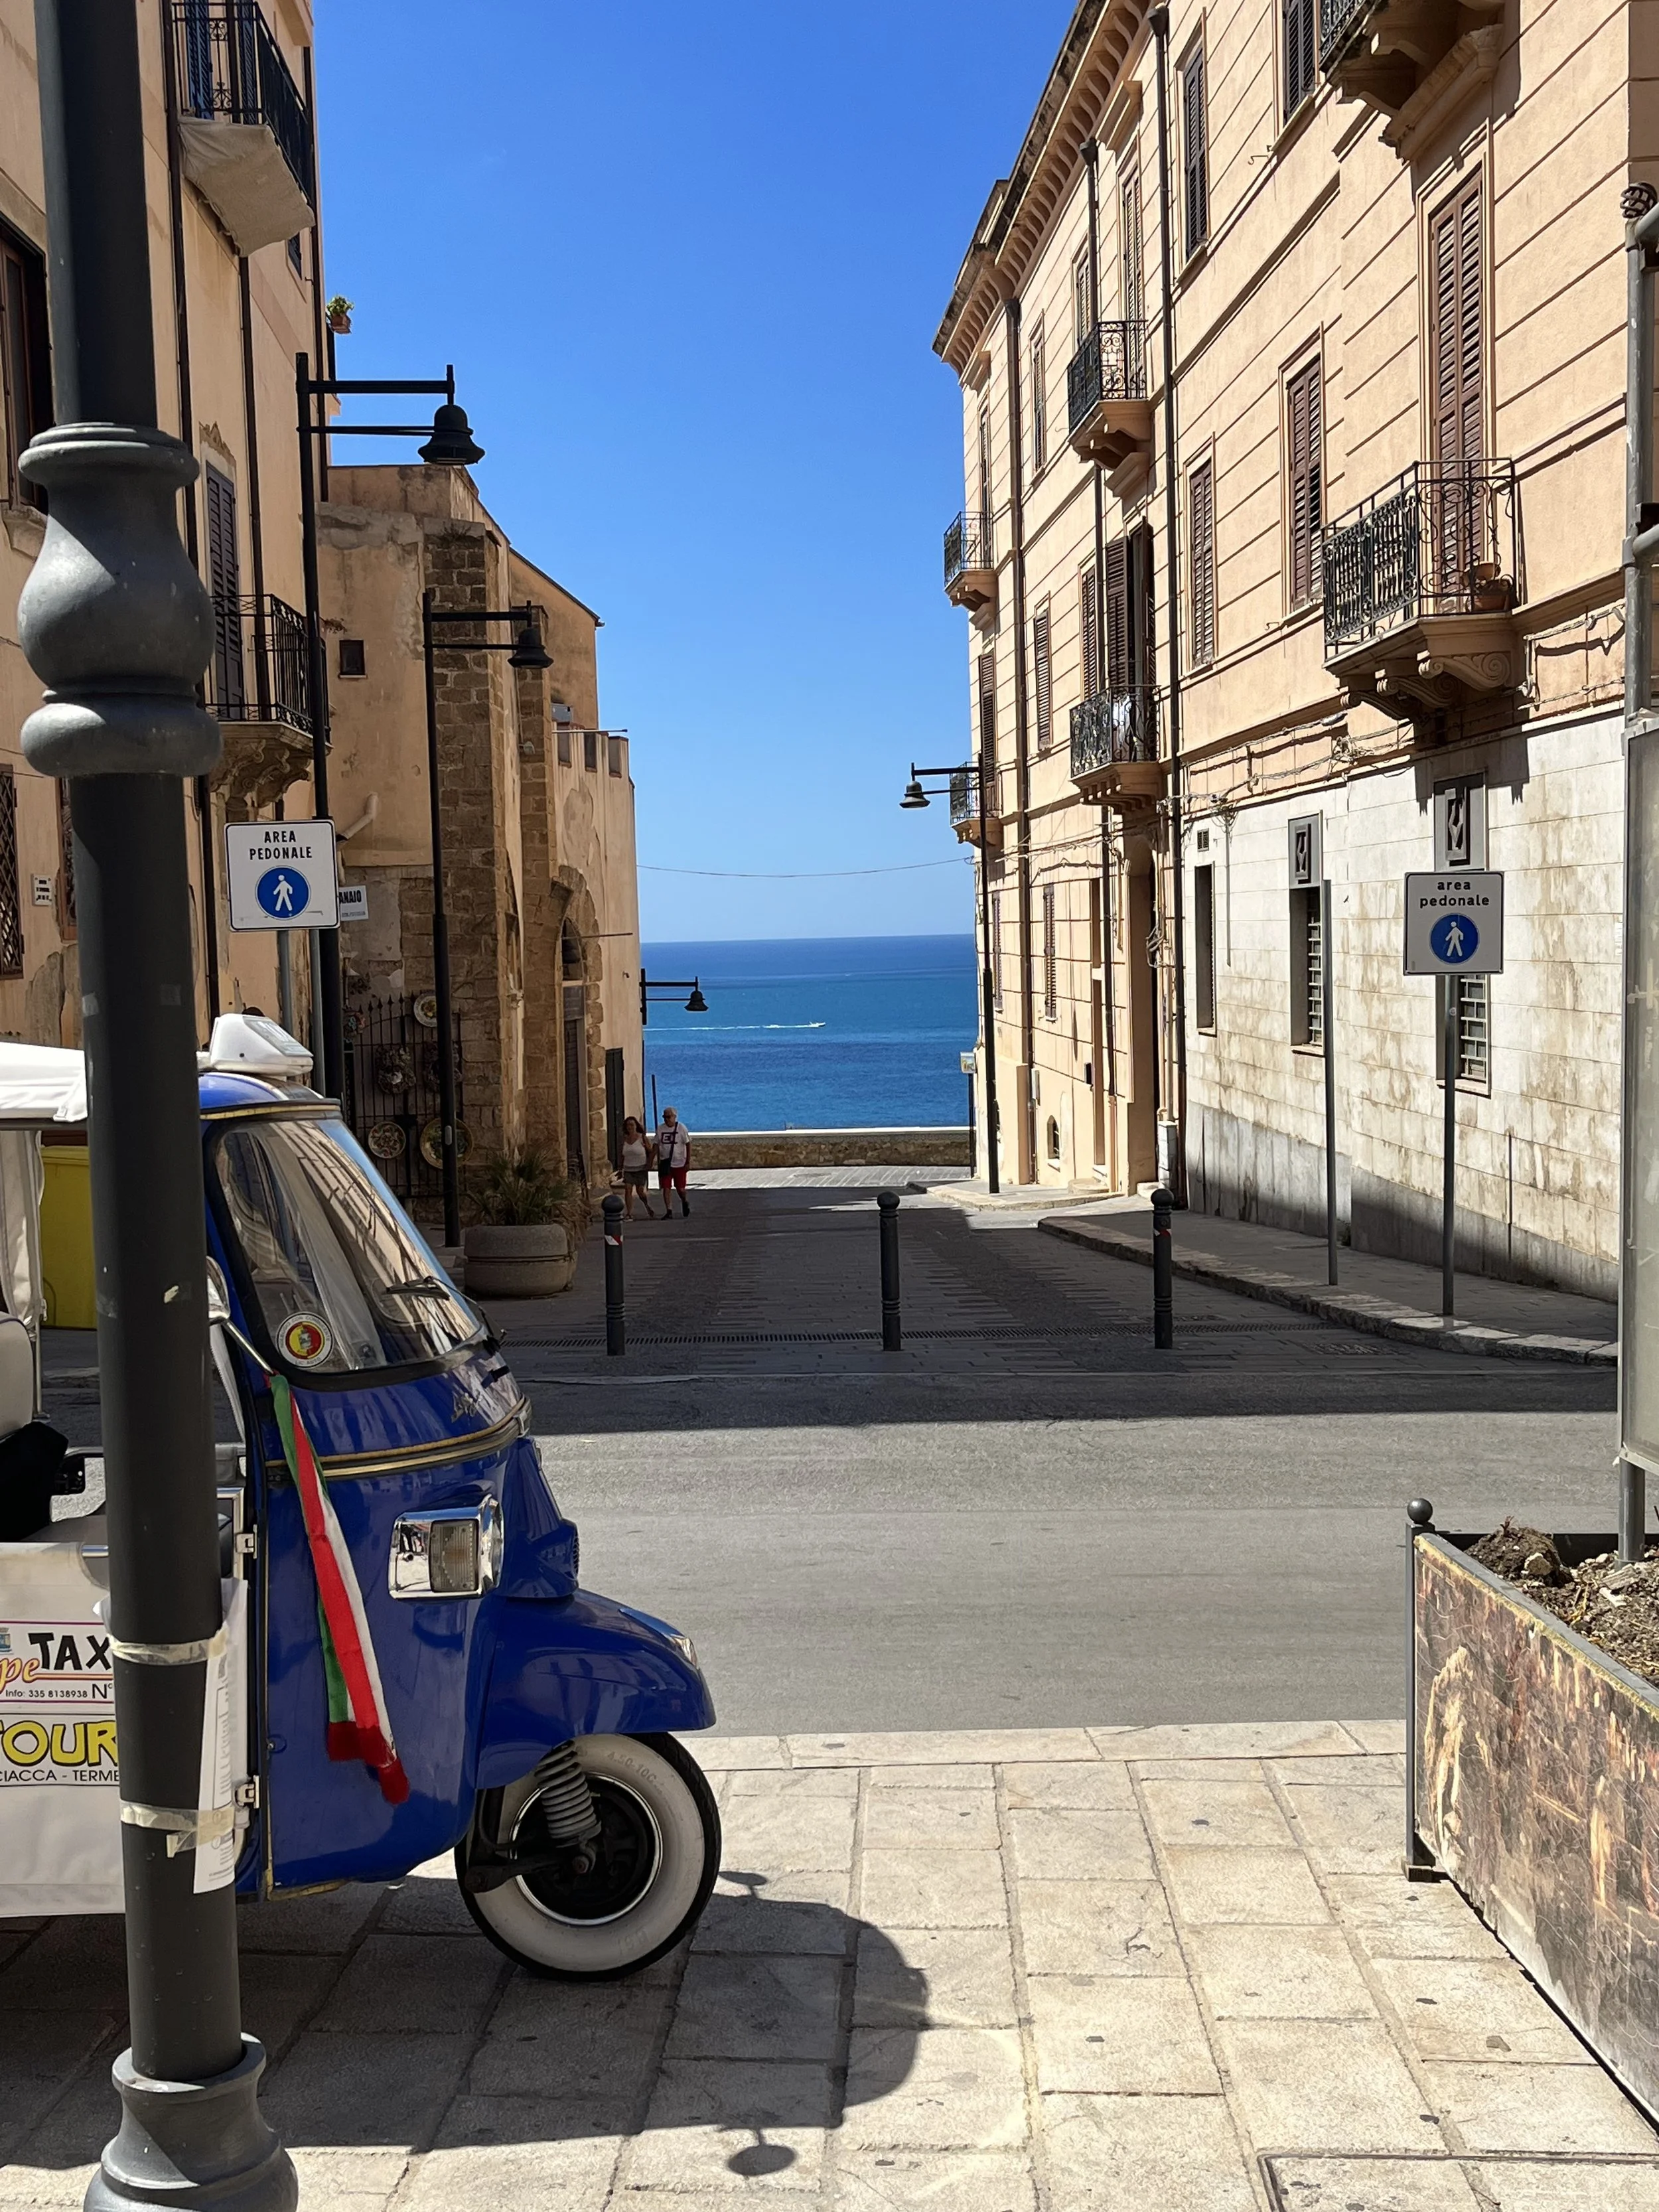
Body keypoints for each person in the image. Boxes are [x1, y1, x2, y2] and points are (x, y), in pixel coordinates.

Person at [654, 1105, 692, 1218]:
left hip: (679, 1163)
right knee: (666, 1187)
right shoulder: (660, 1129)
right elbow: (656, 1145)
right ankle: (669, 1211)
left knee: (680, 1189)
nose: (666, 1119)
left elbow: (688, 1144)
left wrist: (688, 1162)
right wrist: (651, 1160)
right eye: (664, 1117)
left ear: (674, 1117)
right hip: (666, 1163)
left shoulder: (681, 1128)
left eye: (668, 1117)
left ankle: (684, 1201)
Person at [618, 1116, 656, 1218]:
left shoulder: (642, 1138)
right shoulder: (624, 1139)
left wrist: (650, 1163)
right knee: (628, 1189)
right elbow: (622, 1155)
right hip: (628, 1168)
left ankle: (647, 1206)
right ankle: (629, 1213)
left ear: (636, 1126)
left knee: (640, 1191)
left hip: (641, 1168)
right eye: (628, 1125)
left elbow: (651, 1151)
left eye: (632, 1125)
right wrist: (620, 1168)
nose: (630, 1127)